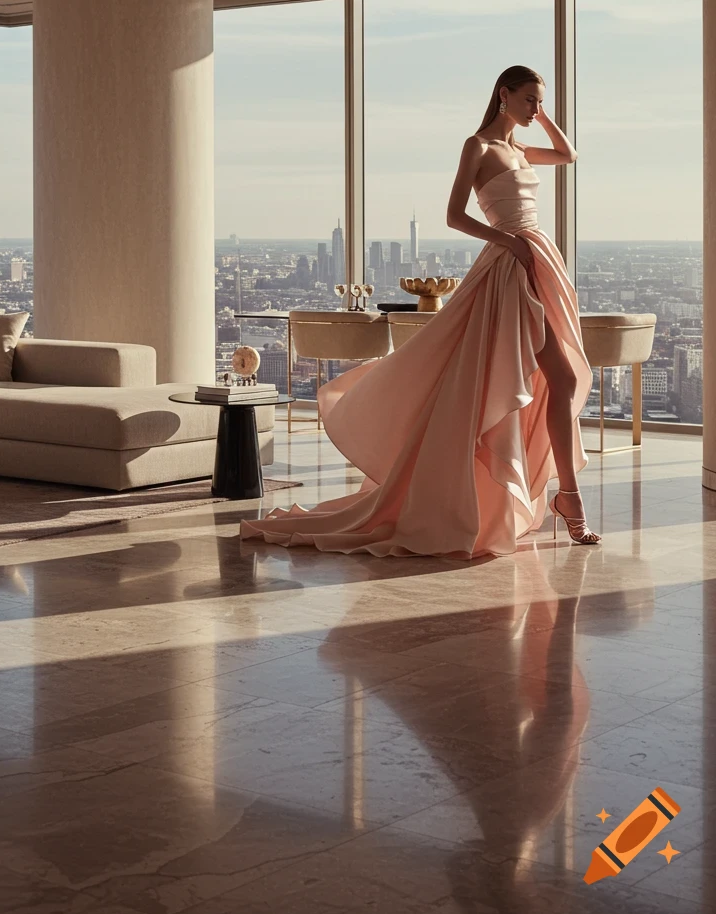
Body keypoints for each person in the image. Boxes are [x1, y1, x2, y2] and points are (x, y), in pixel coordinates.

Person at [240, 65, 598, 559]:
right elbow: (454, 215)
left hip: (536, 260)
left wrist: (544, 115)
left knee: (562, 380)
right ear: (503, 95)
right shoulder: (479, 147)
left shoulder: (518, 148)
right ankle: (568, 498)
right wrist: (508, 241)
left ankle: (564, 495)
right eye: (530, 100)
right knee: (542, 378)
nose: (536, 109)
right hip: (510, 266)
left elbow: (568, 155)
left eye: (539, 102)